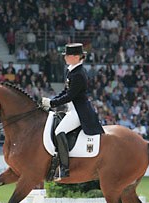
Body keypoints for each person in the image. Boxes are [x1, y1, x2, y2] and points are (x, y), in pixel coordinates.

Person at [41, 43, 104, 180]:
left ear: (76, 57)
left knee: (59, 131)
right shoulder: (71, 70)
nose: (65, 58)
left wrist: (52, 103)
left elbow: (70, 96)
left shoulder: (79, 74)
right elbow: (65, 91)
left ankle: (64, 168)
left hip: (79, 111)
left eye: (67, 55)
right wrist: (52, 101)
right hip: (72, 108)